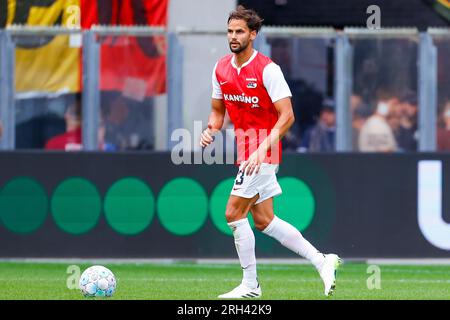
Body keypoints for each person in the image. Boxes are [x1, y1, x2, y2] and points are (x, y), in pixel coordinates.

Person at [200, 6, 341, 299]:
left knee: (232, 213)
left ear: (253, 34)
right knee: (264, 220)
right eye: (230, 31)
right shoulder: (221, 68)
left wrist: (262, 148)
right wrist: (211, 130)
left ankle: (251, 286)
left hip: (263, 152)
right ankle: (321, 260)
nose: (234, 36)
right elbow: (218, 112)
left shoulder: (268, 69)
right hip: (245, 150)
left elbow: (287, 116)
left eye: (240, 31)